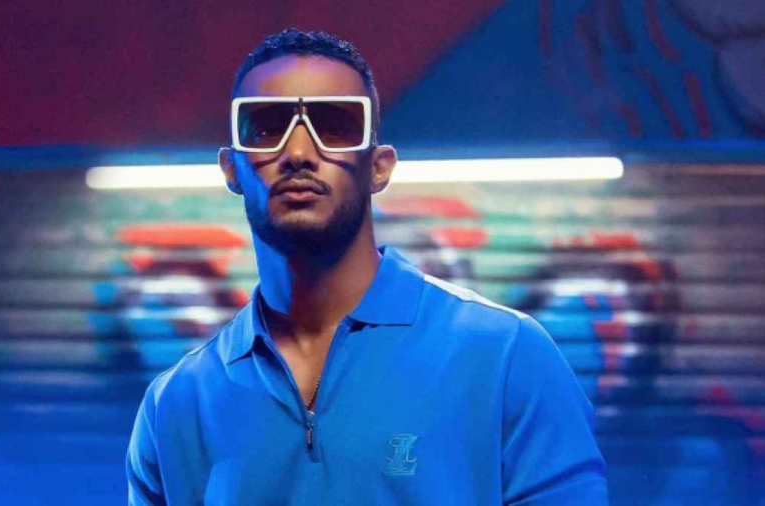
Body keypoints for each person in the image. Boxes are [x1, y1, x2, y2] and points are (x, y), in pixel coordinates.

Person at [126, 28, 609, 505]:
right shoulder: (176, 404)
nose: (299, 153)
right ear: (232, 168)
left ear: (379, 166)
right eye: (267, 127)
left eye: (335, 124)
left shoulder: (506, 355)